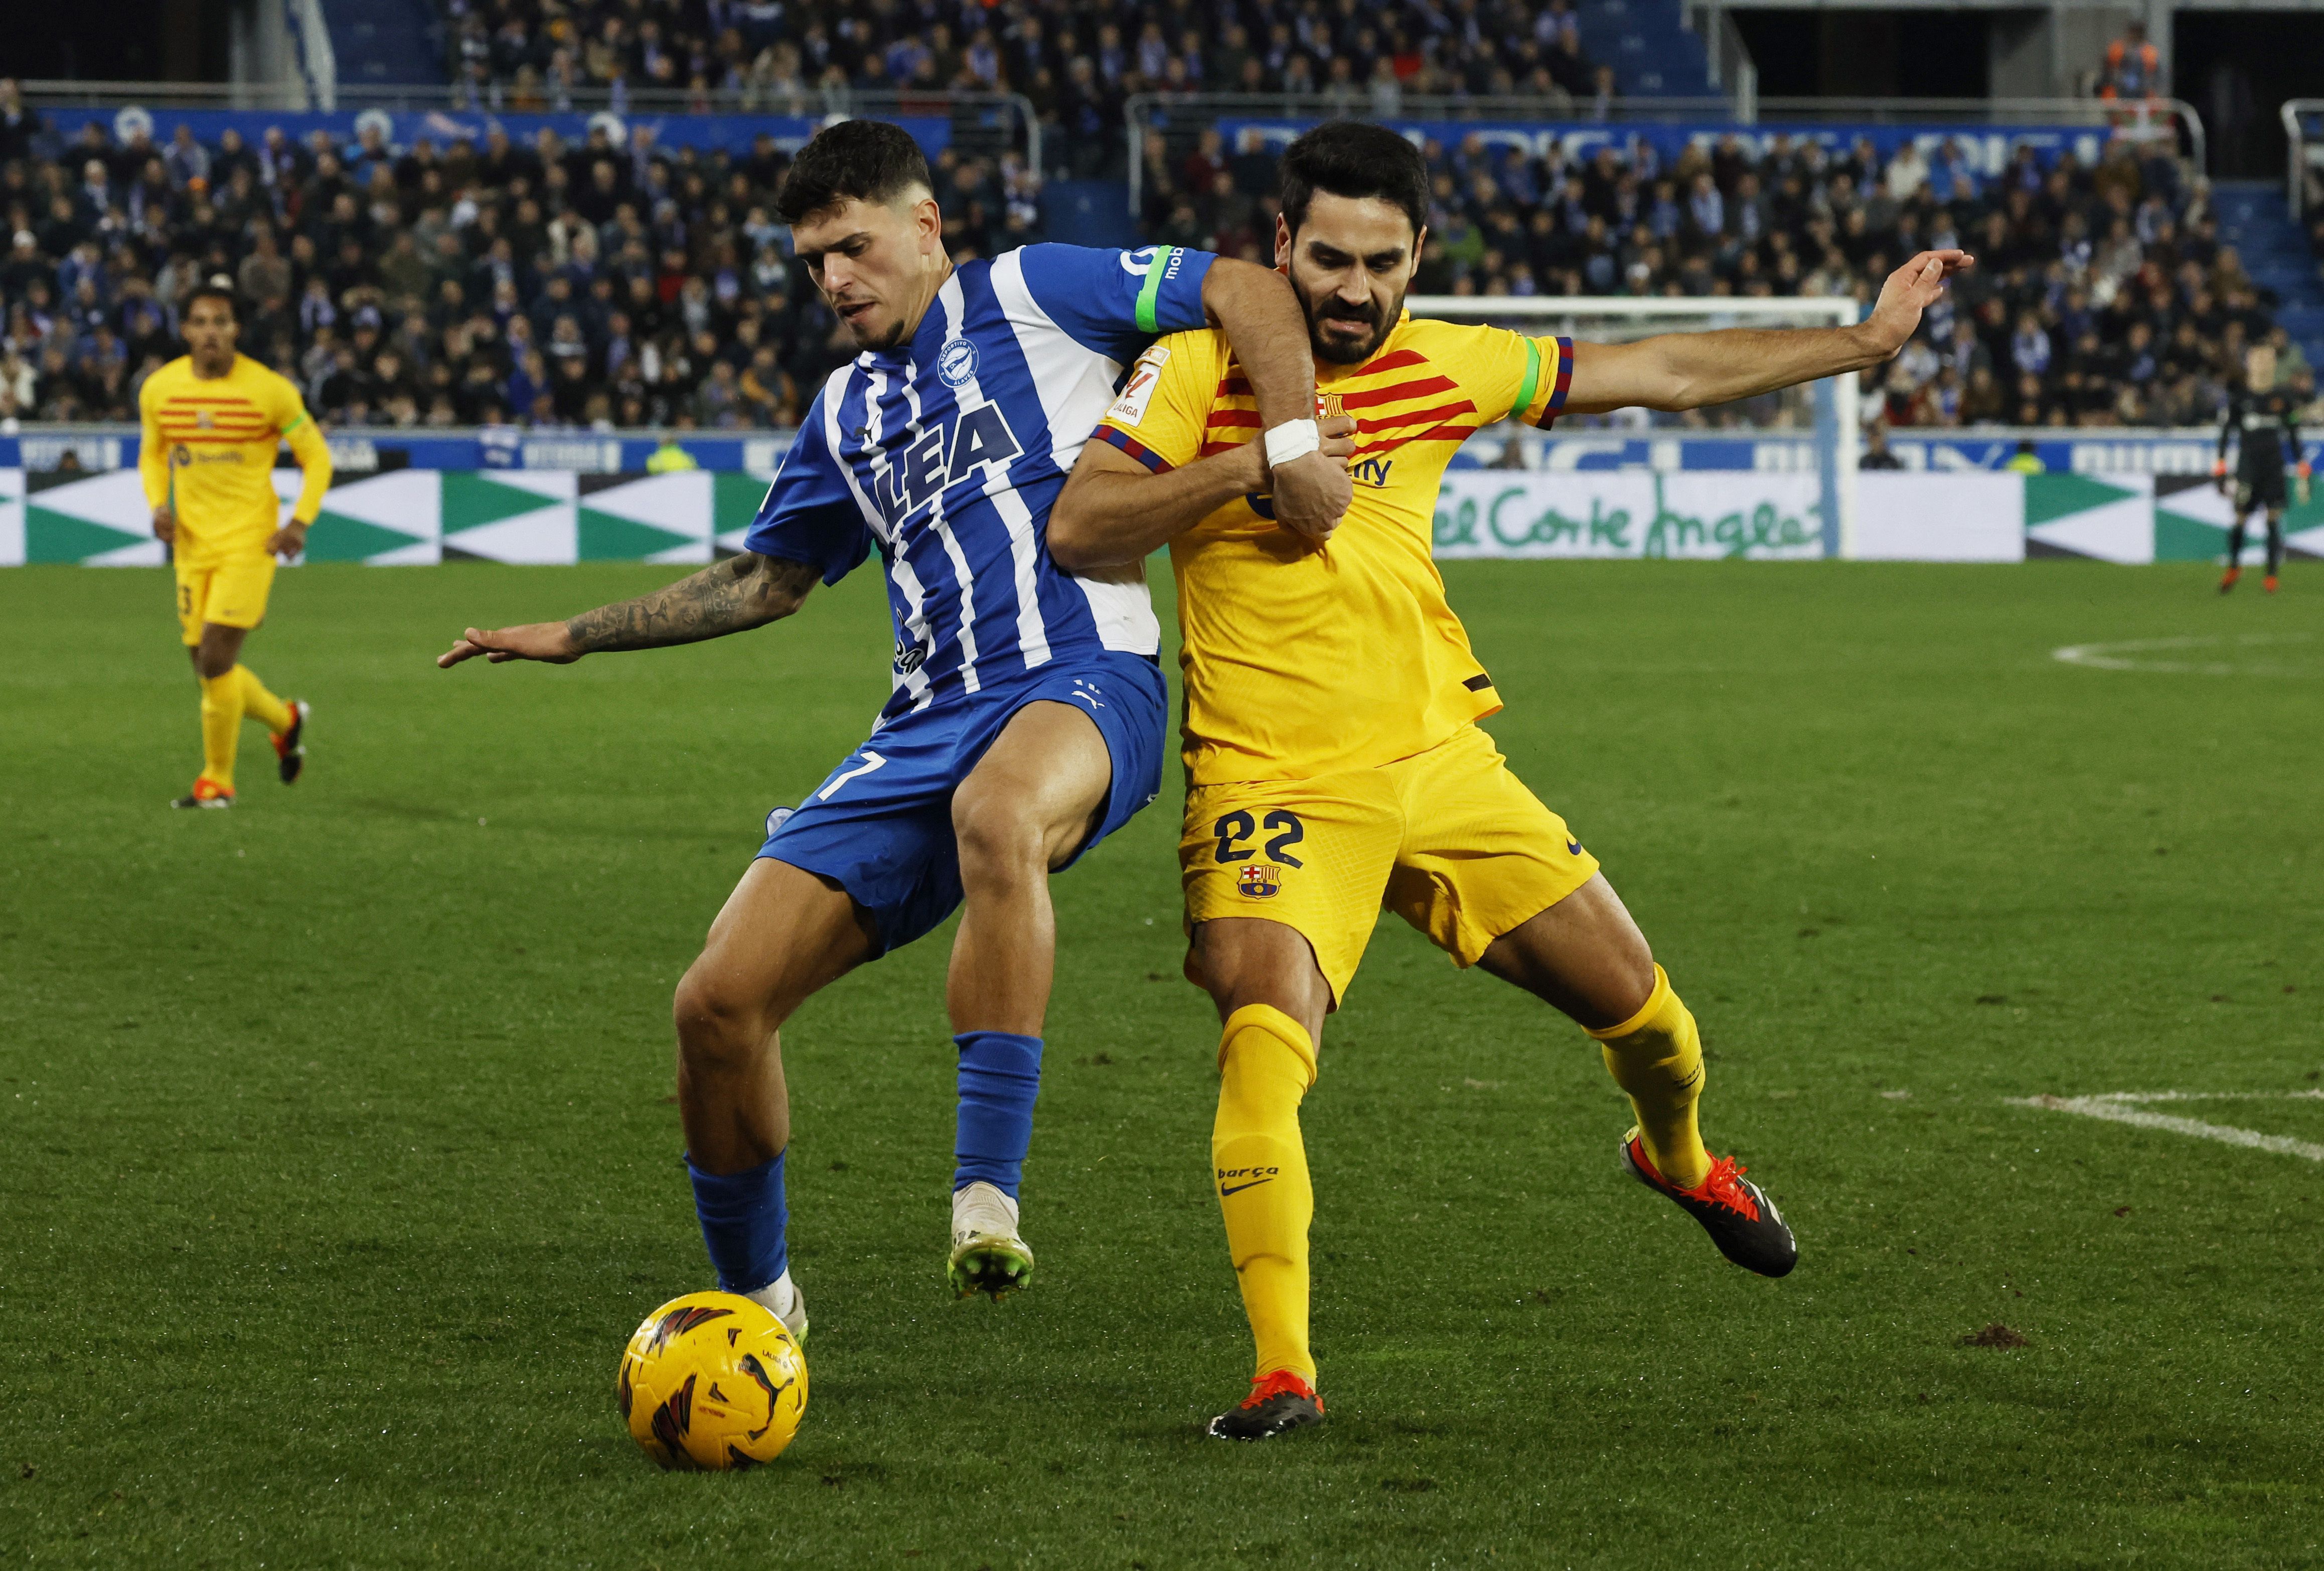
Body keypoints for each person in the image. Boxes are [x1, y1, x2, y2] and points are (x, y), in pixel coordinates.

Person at [1049, 121, 1972, 1440]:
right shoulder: (1197, 368)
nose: (1352, 289)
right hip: (1272, 780)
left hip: (1441, 762)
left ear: (1418, 254)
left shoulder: (1449, 365)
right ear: (1278, 250)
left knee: (1652, 1019)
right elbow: (1082, 526)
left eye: (1380, 261)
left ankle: (1682, 1158)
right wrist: (1262, 461)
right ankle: (1284, 1371)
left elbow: (1657, 367)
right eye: (1326, 259)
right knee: (1263, 1043)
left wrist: (1860, 347)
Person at [436, 121, 1347, 1336]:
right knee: (714, 1004)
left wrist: (1284, 442)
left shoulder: (1031, 291)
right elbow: (768, 581)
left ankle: (985, 1196)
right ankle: (757, 1304)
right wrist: (578, 633)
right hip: (921, 722)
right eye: (813, 260)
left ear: (925, 228)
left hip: (1084, 676)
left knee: (999, 811)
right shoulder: (845, 409)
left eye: (852, 247)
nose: (832, 279)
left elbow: (1238, 284)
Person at [141, 278, 329, 809]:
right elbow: (153, 453)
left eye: (221, 322)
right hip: (191, 547)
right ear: (184, 329)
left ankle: (216, 783)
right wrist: (159, 505)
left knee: (216, 659)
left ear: (236, 330)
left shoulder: (269, 389)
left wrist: (299, 523)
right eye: (200, 322)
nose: (210, 333)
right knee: (205, 668)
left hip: (250, 542)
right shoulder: (159, 388)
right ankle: (284, 718)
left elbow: (317, 457)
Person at [2214, 343, 2307, 594]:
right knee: (2241, 517)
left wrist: (2302, 466)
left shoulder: (2283, 397)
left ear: (2274, 364)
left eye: (2268, 359)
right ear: (2249, 363)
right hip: (2248, 468)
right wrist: (2220, 468)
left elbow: (2293, 432)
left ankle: (2271, 575)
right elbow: (2225, 434)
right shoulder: (2239, 397)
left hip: (2274, 467)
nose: (2264, 363)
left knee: (2274, 517)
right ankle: (2234, 565)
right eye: (2258, 359)